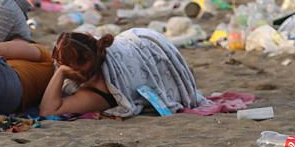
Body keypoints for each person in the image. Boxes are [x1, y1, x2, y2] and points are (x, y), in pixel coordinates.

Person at [40, 29, 205, 117]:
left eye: (65, 65)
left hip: (150, 45)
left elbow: (48, 110)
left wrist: (61, 73)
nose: (60, 67)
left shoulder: (100, 90)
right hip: (142, 38)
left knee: (167, 71)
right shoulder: (92, 53)